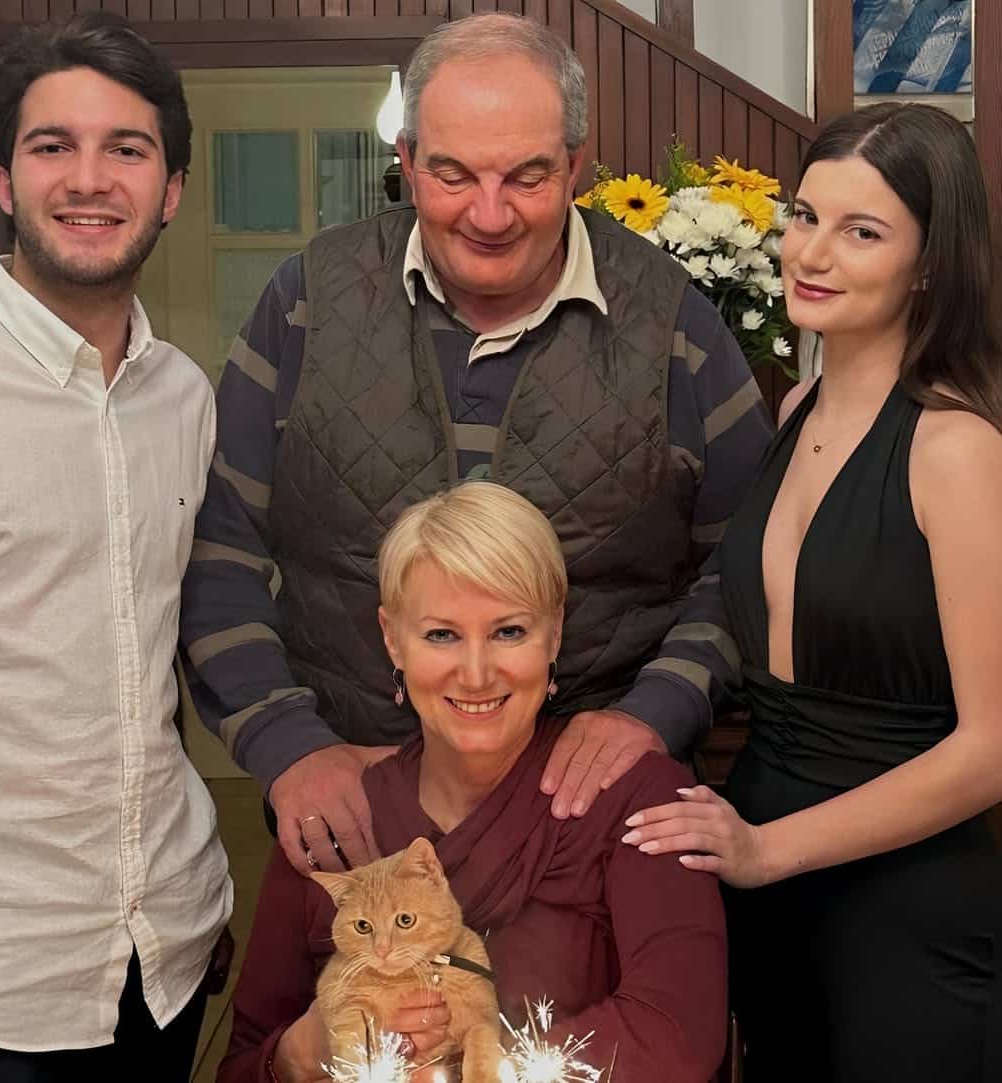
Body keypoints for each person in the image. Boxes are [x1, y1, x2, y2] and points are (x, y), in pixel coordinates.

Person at [179, 12, 773, 877]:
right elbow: (217, 550)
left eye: (527, 176)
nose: (489, 215)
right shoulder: (307, 301)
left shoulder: (674, 320)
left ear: (576, 164)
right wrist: (285, 741)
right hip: (355, 824)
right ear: (408, 158)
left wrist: (654, 712)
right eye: (452, 174)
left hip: (593, 830)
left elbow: (749, 568)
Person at [622, 102, 1002, 1082]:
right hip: (767, 887)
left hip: (907, 911)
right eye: (804, 216)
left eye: (861, 231)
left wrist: (768, 848)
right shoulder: (794, 407)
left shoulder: (957, 449)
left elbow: (991, 748)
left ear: (930, 264)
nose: (812, 252)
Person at [0, 13, 232, 1081]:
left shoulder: (185, 397)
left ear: (171, 189)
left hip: (170, 951)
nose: (90, 179)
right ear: (2, 181)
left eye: (127, 149)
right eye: (54, 145)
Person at [217, 482, 728, 1083]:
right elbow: (242, 1065)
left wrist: (487, 1068)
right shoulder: (332, 816)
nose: (478, 673)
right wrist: (301, 1053)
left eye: (509, 631)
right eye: (442, 635)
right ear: (393, 639)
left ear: (555, 634)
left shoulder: (635, 797)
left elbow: (679, 1037)